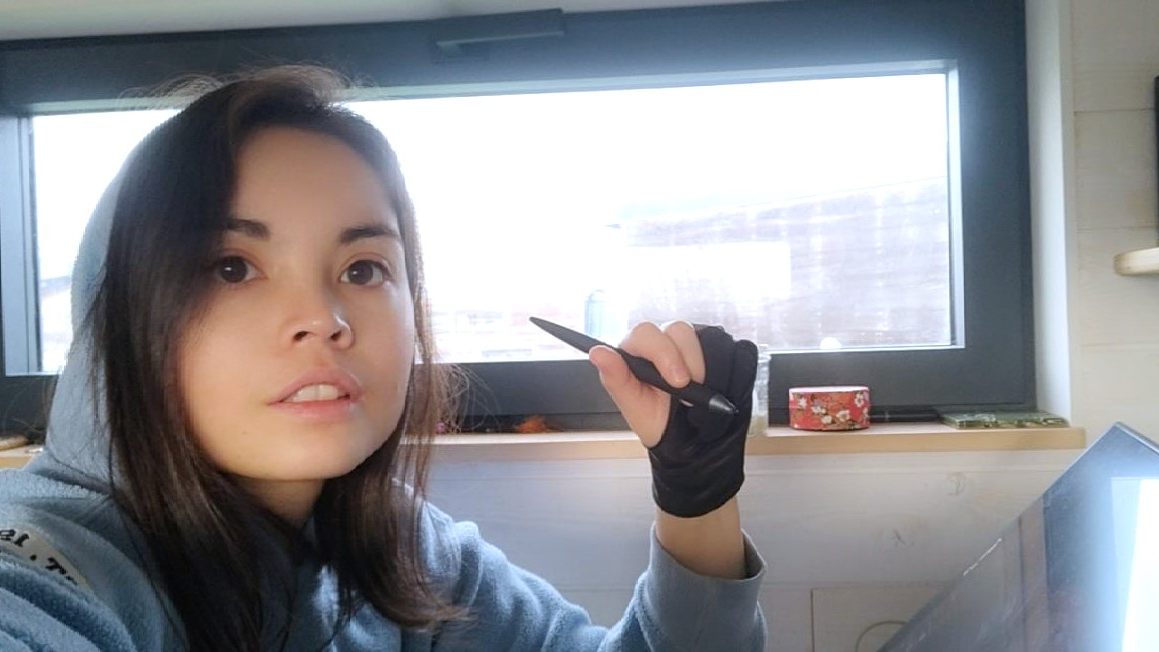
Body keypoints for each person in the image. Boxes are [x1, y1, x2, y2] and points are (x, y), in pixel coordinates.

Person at [0, 66, 766, 651]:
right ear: (118, 315)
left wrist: (695, 501)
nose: (325, 320)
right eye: (231, 267)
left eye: (363, 269)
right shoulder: (47, 568)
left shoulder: (405, 551)